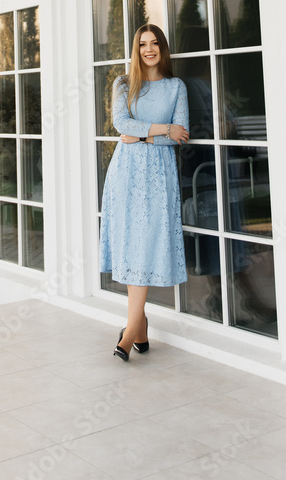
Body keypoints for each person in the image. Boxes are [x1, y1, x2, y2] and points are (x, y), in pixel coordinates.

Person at [99, 23, 190, 361]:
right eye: (142, 44)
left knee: (146, 243)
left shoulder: (175, 86)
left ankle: (130, 330)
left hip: (159, 174)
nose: (148, 49)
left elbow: (180, 134)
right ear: (135, 50)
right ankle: (137, 325)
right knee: (131, 244)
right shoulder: (123, 84)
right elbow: (121, 124)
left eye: (154, 44)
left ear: (162, 49)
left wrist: (147, 134)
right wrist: (162, 129)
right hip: (125, 174)